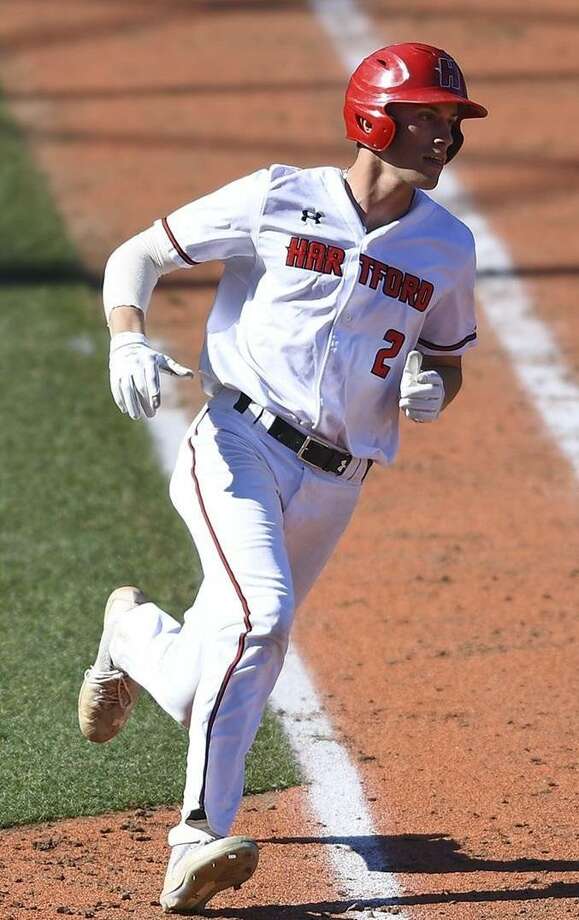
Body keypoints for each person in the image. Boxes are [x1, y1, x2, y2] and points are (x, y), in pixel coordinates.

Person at [78, 42, 487, 913]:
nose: (442, 136)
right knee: (261, 619)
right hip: (238, 445)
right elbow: (137, 256)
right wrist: (126, 338)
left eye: (449, 121)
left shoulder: (447, 246)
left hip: (336, 485)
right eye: (425, 116)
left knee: (208, 683)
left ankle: (132, 632)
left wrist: (432, 387)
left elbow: (446, 358)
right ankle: (194, 837)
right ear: (373, 119)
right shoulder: (276, 196)